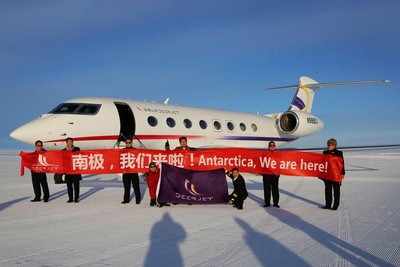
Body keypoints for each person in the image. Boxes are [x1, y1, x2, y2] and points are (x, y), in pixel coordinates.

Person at [320, 138, 345, 210]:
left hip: (336, 175)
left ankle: (335, 206)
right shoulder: (325, 152)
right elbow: (322, 163)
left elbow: (342, 164)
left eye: (329, 145)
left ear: (334, 145)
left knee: (336, 191)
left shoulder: (339, 153)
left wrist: (343, 173)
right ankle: (328, 205)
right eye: (327, 145)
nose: (328, 146)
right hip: (327, 175)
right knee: (328, 191)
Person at [121, 138, 141, 204]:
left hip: (134, 171)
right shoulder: (122, 151)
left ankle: (138, 200)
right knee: (126, 187)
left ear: (131, 143)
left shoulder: (135, 150)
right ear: (125, 143)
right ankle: (126, 200)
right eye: (127, 142)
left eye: (129, 142)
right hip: (126, 171)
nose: (128, 144)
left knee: (136, 186)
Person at [262, 141, 280, 208]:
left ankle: (276, 203)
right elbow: (261, 163)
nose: (272, 147)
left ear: (275, 147)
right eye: (270, 145)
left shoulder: (278, 154)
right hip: (266, 175)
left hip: (275, 175)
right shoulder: (265, 154)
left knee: (275, 190)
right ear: (268, 147)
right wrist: (261, 172)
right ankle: (267, 203)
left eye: (273, 145)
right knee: (267, 189)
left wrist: (278, 172)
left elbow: (281, 164)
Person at [64, 137, 81, 203]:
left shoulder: (77, 149)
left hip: (76, 170)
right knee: (69, 186)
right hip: (68, 171)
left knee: (76, 185)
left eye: (71, 141)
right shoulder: (63, 150)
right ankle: (70, 198)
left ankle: (76, 198)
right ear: (66, 143)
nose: (70, 143)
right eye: (69, 142)